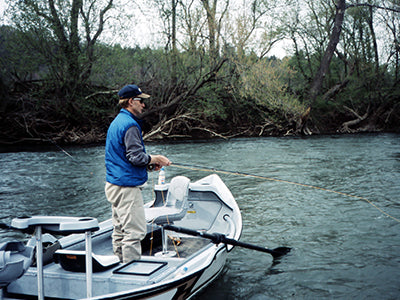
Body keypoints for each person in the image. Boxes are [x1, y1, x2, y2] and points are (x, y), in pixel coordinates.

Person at [105, 84, 171, 263]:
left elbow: (123, 157)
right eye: (141, 101)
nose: (144, 105)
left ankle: (119, 264)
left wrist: (149, 165)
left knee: (120, 230)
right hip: (126, 188)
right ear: (131, 101)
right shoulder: (130, 125)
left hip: (113, 186)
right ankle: (130, 270)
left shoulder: (117, 122)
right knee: (134, 232)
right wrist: (156, 158)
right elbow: (135, 157)